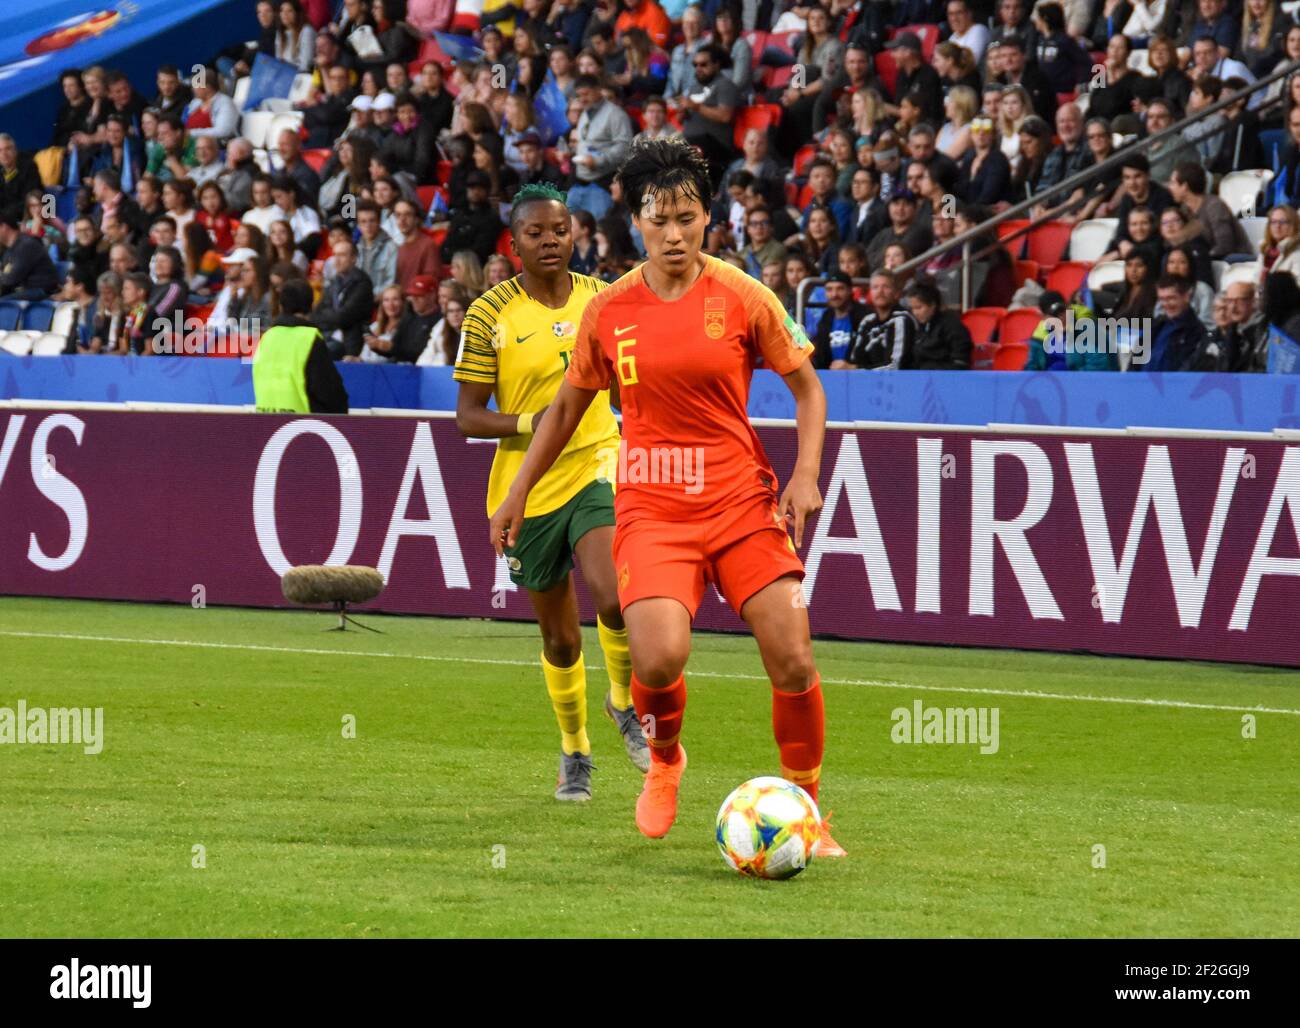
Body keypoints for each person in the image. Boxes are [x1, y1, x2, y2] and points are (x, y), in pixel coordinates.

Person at [488, 139, 845, 854]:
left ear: (709, 219)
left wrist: (806, 475)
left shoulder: (746, 295)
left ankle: (804, 809)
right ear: (637, 224)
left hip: (740, 500)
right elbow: (563, 410)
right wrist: (518, 491)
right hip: (652, 504)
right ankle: (666, 761)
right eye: (659, 220)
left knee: (794, 658)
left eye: (688, 218)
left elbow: (807, 386)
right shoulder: (611, 309)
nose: (675, 233)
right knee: (655, 660)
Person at [455, 183, 647, 799]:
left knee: (615, 595)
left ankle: (624, 703)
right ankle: (575, 749)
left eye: (559, 231)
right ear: (514, 244)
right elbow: (466, 415)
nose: (549, 241)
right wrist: (528, 422)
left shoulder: (603, 299)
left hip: (597, 459)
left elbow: (623, 383)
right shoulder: (488, 315)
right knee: (561, 639)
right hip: (527, 488)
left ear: (574, 235)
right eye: (535, 233)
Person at [253, 278, 348, 413]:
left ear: (281, 305)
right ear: (311, 305)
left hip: (267, 423)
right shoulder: (309, 337)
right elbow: (329, 392)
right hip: (300, 426)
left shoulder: (267, 337)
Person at [310, 236, 375, 357]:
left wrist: (328, 315)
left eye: (342, 255)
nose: (337, 260)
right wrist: (331, 316)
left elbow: (342, 317)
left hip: (350, 343)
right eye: (335, 255)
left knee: (317, 354)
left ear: (354, 258)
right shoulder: (335, 281)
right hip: (328, 335)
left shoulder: (362, 283)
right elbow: (316, 315)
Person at [847, 269, 918, 369]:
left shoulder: (902, 319)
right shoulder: (867, 321)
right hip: (866, 381)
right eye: (875, 287)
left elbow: (895, 365)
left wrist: (857, 369)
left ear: (896, 293)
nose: (880, 291)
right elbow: (855, 359)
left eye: (886, 287)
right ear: (870, 292)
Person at [812, 270, 868, 369]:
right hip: (830, 379)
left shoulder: (866, 317)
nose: (834, 294)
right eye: (829, 289)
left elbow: (874, 358)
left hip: (861, 378)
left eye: (840, 289)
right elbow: (820, 357)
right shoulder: (825, 318)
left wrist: (854, 367)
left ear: (850, 290)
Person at [0, 213, 60, 298]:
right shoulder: (8, 252)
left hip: (43, 291)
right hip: (25, 291)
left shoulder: (27, 245)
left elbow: (11, 279)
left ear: (4, 227)